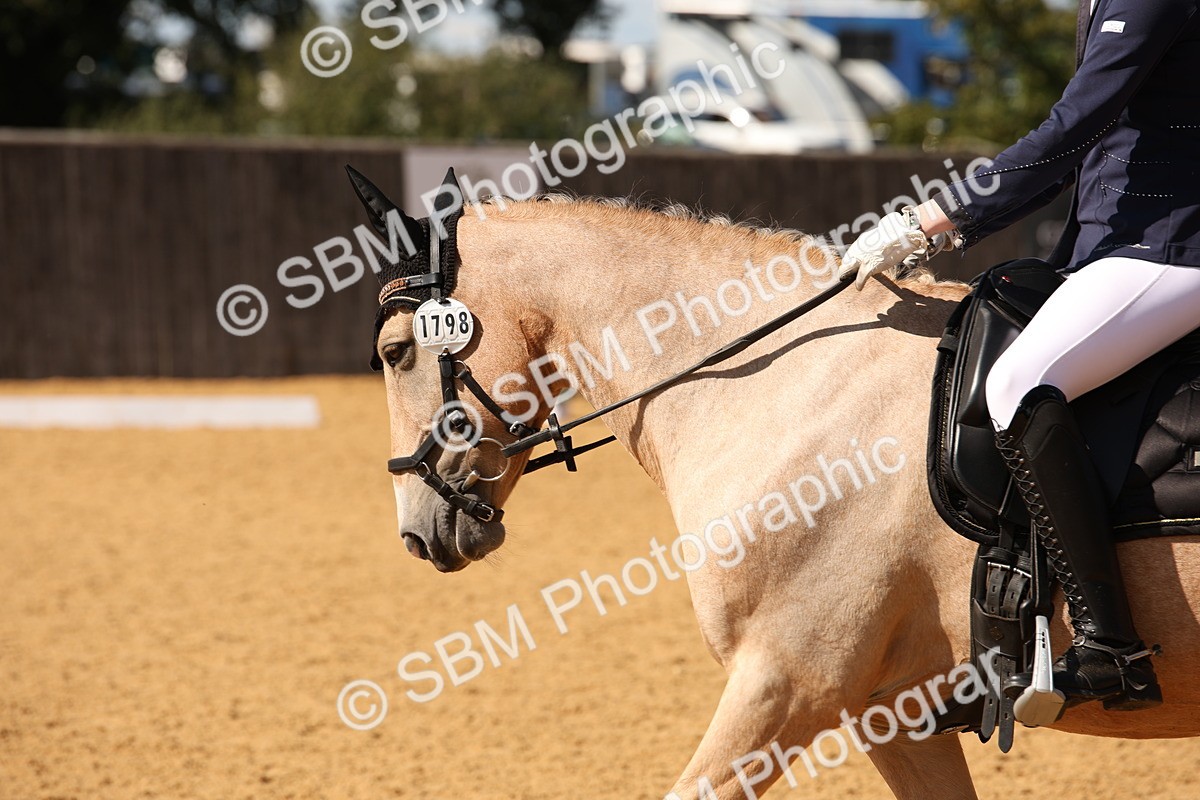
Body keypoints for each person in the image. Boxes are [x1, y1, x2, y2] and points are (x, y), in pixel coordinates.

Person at [839, 0, 1200, 711]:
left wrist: (932, 221)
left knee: (1019, 383)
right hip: (1112, 249)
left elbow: (1078, 124)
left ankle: (1108, 649)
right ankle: (1008, 639)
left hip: (1173, 247)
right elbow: (1094, 146)